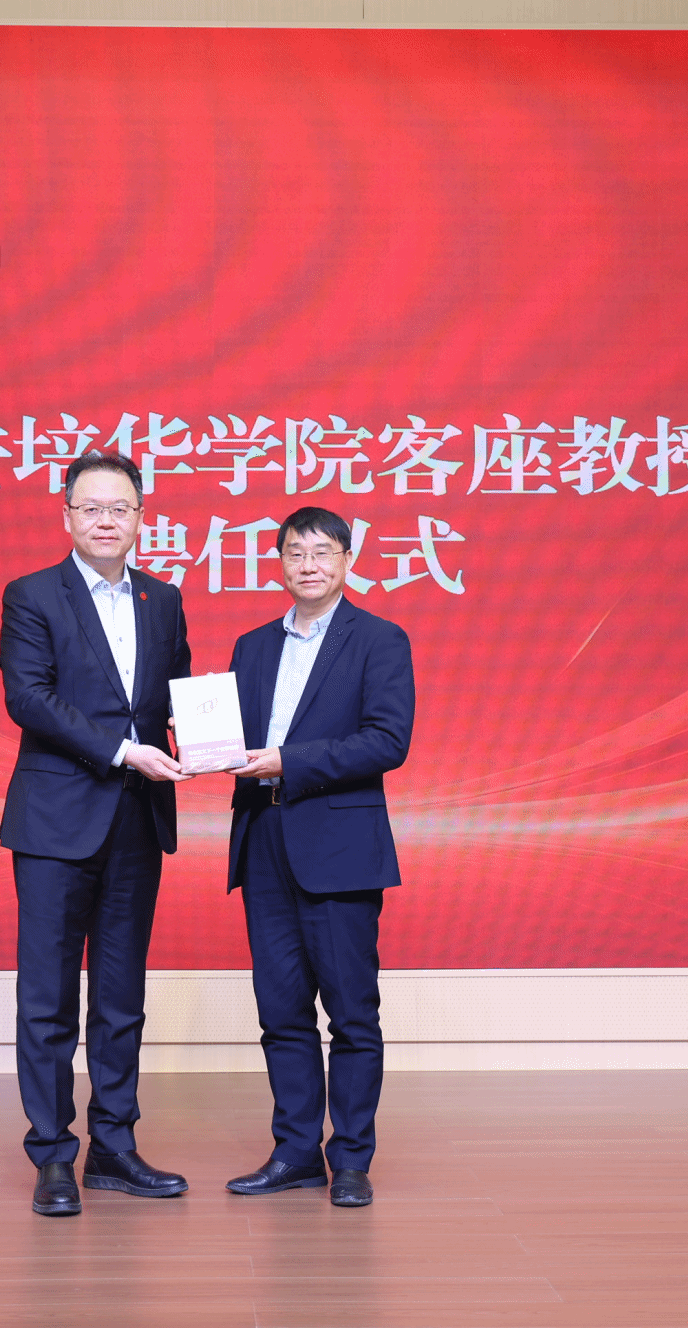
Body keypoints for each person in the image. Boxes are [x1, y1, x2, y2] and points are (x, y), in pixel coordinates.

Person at [0, 450, 194, 1217]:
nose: (106, 520)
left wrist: (213, 742)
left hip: (137, 819)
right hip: (55, 820)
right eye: (92, 507)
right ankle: (53, 1154)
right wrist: (121, 749)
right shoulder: (32, 594)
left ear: (142, 518)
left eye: (121, 507)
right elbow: (28, 696)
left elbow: (177, 695)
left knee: (120, 993)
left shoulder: (163, 599)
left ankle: (114, 1145)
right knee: (48, 996)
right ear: (67, 516)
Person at [221, 506, 415, 1209]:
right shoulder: (251, 646)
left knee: (352, 1013)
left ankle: (352, 1158)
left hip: (339, 847)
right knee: (280, 1010)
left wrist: (288, 761)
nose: (309, 564)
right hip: (263, 839)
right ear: (279, 562)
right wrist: (203, 742)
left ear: (347, 560)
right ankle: (295, 1152)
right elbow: (235, 738)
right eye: (296, 552)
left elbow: (387, 740)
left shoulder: (380, 640)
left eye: (323, 551)